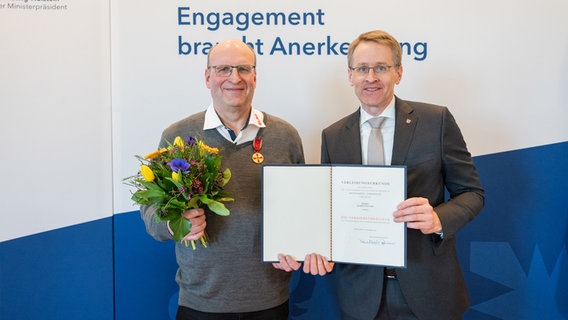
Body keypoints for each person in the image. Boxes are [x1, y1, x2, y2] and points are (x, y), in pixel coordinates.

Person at [314, 30, 485, 319]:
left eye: (381, 68)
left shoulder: (436, 121)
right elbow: (330, 210)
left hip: (429, 289)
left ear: (399, 72)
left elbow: (473, 193)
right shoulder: (333, 136)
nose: (371, 78)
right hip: (361, 294)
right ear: (350, 75)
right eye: (362, 69)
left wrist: (438, 219)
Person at [140, 39, 305, 320]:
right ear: (207, 77)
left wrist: (300, 245)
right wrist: (174, 224)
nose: (234, 78)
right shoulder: (177, 136)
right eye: (223, 69)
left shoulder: (285, 135)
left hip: (269, 300)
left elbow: (304, 208)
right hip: (200, 303)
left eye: (243, 69)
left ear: (255, 76)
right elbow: (150, 212)